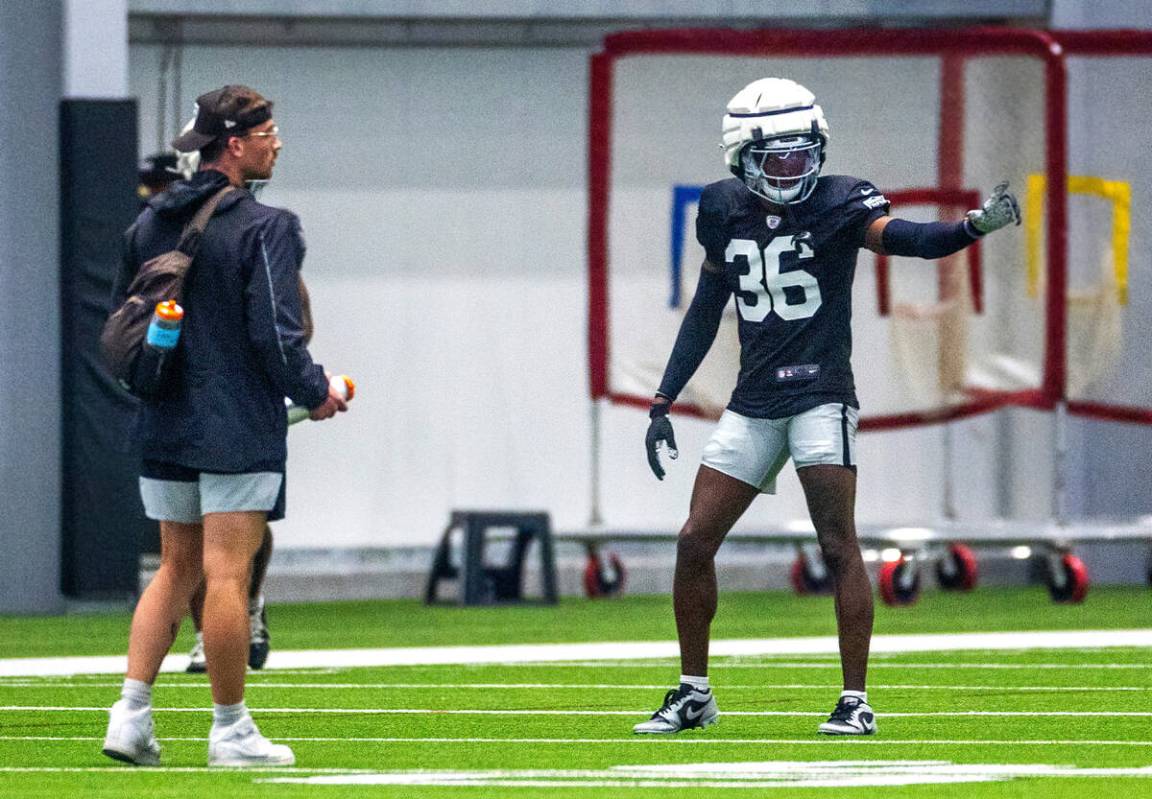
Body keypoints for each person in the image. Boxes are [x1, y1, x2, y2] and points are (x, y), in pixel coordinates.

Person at [635, 77, 1019, 737]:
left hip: (819, 394)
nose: (793, 168)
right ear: (742, 157)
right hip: (753, 401)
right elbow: (706, 308)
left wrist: (971, 227)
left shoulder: (843, 200)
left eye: (801, 153)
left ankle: (855, 700)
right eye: (776, 157)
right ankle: (694, 692)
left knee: (839, 542)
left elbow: (908, 239)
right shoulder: (724, 207)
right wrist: (664, 397)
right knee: (694, 541)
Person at [102, 84, 348, 768]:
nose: (278, 142)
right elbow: (274, 332)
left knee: (174, 568)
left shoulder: (147, 223)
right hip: (236, 425)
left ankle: (130, 714)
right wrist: (316, 390)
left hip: (163, 421)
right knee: (226, 575)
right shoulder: (267, 226)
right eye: (269, 131)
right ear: (235, 144)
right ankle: (231, 729)